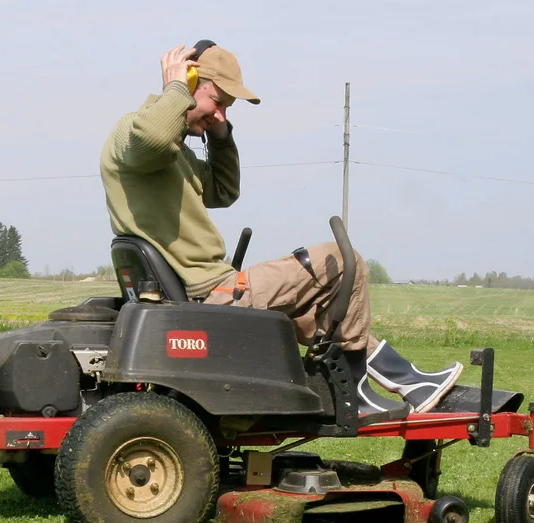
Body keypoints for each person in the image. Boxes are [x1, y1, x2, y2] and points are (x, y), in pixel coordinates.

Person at [99, 42, 463, 414]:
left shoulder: (176, 153)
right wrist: (174, 88)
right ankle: (357, 391)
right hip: (210, 294)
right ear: (189, 80)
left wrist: (220, 137)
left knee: (317, 313)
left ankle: (406, 379)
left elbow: (223, 192)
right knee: (340, 259)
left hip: (210, 290)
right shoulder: (134, 134)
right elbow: (154, 138)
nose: (220, 115)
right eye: (217, 101)